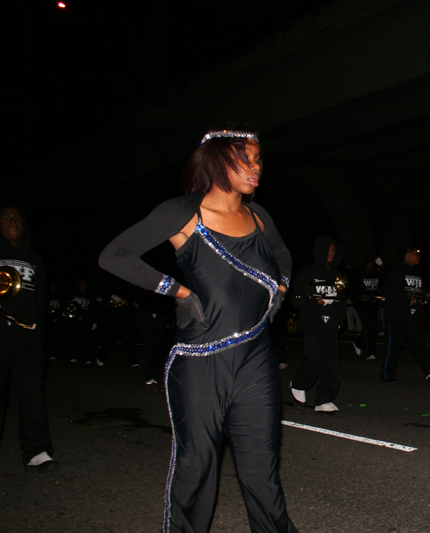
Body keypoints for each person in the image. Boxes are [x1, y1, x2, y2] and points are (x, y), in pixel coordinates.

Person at [99, 126, 297, 533]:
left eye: (260, 160)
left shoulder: (258, 216)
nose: (256, 167)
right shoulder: (183, 212)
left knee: (262, 472)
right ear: (219, 159)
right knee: (197, 468)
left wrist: (281, 286)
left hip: (256, 361)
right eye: (247, 157)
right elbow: (114, 255)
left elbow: (282, 253)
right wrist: (176, 290)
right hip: (201, 363)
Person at [0, 203, 58, 471]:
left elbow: (40, 297)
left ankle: (37, 451)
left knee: (33, 395)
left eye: (17, 218)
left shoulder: (34, 258)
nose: (13, 222)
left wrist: (39, 333)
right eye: (7, 218)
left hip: (27, 341)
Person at [289, 236, 345, 414]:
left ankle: (324, 400)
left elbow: (341, 300)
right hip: (312, 323)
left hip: (330, 325)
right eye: (328, 250)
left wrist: (339, 321)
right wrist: (316, 303)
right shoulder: (307, 273)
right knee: (314, 358)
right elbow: (296, 298)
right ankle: (298, 384)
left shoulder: (337, 275)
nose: (331, 253)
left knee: (331, 363)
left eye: (334, 250)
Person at [380, 247, 430, 384]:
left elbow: (421, 290)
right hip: (397, 317)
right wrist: (405, 301)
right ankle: (387, 374)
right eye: (416, 254)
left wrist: (428, 294)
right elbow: (388, 293)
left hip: (414, 317)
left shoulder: (417, 273)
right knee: (393, 348)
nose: (419, 256)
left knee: (419, 344)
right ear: (407, 255)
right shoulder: (396, 272)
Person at [352, 258, 383, 360]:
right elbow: (354, 290)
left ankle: (359, 343)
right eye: (368, 264)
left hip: (373, 305)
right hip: (363, 306)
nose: (370, 266)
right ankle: (369, 353)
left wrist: (381, 266)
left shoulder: (376, 274)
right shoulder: (359, 275)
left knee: (373, 328)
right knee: (369, 327)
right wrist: (360, 297)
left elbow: (384, 280)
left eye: (371, 264)